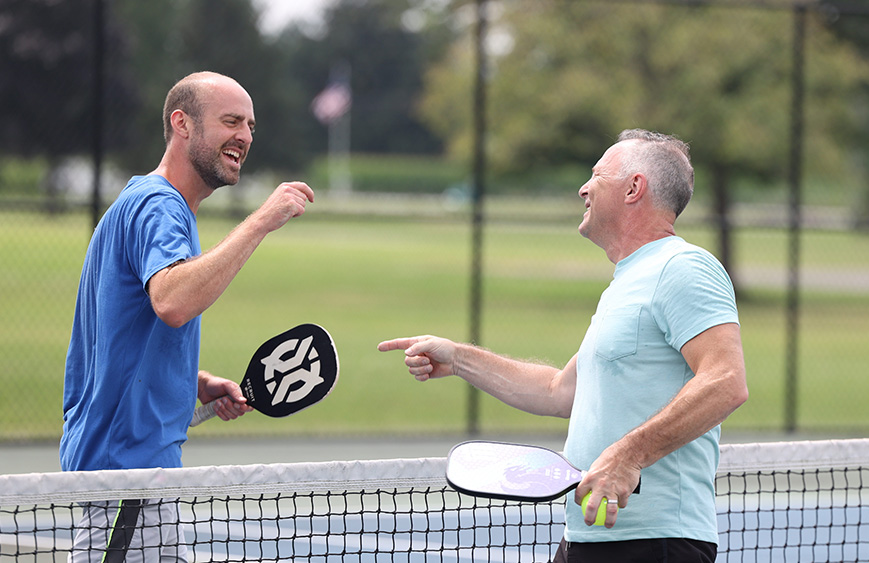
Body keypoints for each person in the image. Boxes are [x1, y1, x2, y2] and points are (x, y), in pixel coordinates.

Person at [379, 129, 747, 563]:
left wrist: (628, 456)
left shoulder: (683, 267)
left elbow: (726, 381)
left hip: (656, 543)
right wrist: (459, 357)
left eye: (597, 175)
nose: (583, 188)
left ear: (634, 188)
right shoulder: (627, 283)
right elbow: (559, 391)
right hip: (587, 540)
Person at [60, 71, 314, 562]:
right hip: (128, 478)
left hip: (130, 475)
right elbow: (173, 302)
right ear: (183, 124)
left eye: (251, 126)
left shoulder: (149, 205)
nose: (245, 136)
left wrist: (189, 382)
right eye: (231, 121)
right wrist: (262, 221)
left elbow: (117, 337)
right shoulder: (159, 206)